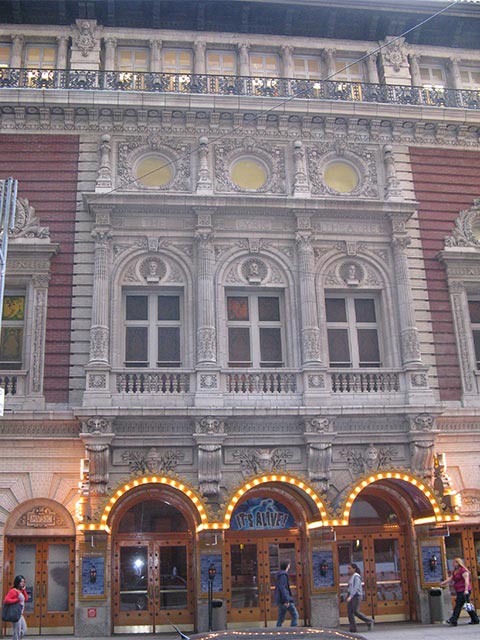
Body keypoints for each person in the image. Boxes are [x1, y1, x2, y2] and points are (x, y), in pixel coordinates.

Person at [441, 557, 479, 626]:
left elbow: (466, 581)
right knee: (467, 605)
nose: (453, 564)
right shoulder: (455, 571)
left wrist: (466, 590)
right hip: (459, 590)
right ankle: (475, 619)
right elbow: (451, 578)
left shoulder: (463, 571)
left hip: (464, 591)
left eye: (454, 563)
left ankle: (453, 620)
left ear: (458, 563)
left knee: (458, 605)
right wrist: (443, 582)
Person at [346, 563, 374, 633]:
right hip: (351, 595)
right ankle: (353, 628)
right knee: (350, 612)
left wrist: (351, 596)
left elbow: (356, 587)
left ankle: (369, 621)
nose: (348, 570)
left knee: (355, 611)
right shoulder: (352, 577)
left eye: (350, 568)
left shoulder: (356, 577)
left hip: (356, 596)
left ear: (354, 569)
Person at [274, 561, 299, 627]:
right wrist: (286, 600)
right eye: (289, 565)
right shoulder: (283, 575)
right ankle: (293, 630)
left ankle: (277, 629)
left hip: (282, 599)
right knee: (295, 615)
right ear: (287, 566)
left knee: (281, 617)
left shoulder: (280, 575)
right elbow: (283, 588)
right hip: (285, 600)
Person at [4, 575, 28, 640]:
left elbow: (26, 599)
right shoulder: (13, 591)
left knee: (24, 629)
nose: (23, 583)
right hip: (16, 613)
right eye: (21, 582)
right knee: (17, 632)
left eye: (24, 581)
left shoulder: (21, 590)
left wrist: (24, 590)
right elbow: (6, 600)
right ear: (17, 582)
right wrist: (17, 600)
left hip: (20, 613)